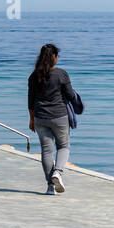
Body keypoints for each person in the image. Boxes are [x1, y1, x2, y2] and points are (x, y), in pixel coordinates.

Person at [28, 44, 77, 195]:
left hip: (40, 117)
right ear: (54, 57)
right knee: (63, 147)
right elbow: (70, 95)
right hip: (59, 116)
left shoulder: (34, 76)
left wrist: (31, 120)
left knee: (46, 151)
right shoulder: (61, 74)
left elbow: (30, 101)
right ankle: (58, 172)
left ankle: (50, 187)